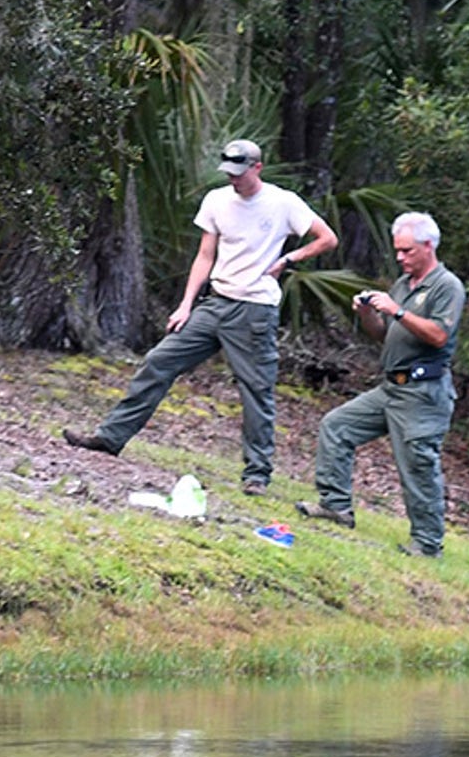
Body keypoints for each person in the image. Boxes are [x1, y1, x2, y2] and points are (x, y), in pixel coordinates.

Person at [63, 139, 338, 495]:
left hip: (254, 309)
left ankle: (257, 474)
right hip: (215, 303)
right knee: (159, 361)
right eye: (228, 173)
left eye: (239, 174)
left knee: (256, 391)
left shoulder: (283, 202)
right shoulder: (217, 200)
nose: (233, 180)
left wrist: (288, 260)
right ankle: (111, 437)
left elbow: (327, 238)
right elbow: (205, 255)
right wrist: (186, 304)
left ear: (257, 167)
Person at [296, 212, 464, 558]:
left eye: (407, 251)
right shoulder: (404, 285)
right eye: (397, 251)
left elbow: (438, 335)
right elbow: (385, 337)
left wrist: (398, 311)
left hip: (423, 394)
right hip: (391, 388)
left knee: (417, 465)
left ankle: (428, 544)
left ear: (428, 246)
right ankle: (336, 507)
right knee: (337, 426)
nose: (400, 257)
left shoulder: (447, 286)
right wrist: (369, 315)